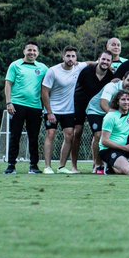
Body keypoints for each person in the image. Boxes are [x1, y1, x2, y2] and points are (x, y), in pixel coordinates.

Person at [41, 46, 88, 174]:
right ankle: (47, 167)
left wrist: (105, 64)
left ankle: (61, 166)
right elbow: (44, 92)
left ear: (76, 58)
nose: (70, 58)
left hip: (69, 110)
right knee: (51, 134)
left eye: (73, 56)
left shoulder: (78, 67)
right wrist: (49, 111)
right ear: (63, 57)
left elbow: (91, 63)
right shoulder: (53, 71)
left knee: (69, 136)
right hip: (53, 110)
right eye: (68, 56)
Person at [4, 41, 49, 175]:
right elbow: (8, 84)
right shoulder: (15, 65)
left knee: (34, 137)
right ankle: (11, 165)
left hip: (35, 107)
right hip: (17, 105)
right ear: (24, 51)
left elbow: (50, 83)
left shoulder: (43, 68)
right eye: (29, 50)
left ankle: (34, 166)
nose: (32, 53)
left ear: (38, 53)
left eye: (34, 51)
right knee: (15, 136)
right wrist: (8, 102)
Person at [86, 71, 129, 174]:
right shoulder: (111, 86)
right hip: (97, 110)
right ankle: (97, 165)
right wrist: (115, 116)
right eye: (128, 80)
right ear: (123, 78)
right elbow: (103, 104)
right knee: (98, 135)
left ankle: (109, 162)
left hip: (112, 113)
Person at [72, 51, 114, 170]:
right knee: (77, 132)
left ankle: (97, 164)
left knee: (98, 134)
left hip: (96, 108)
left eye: (108, 60)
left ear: (110, 63)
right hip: (80, 104)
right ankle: (74, 166)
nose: (105, 62)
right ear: (99, 59)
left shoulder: (111, 76)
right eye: (103, 59)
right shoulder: (87, 71)